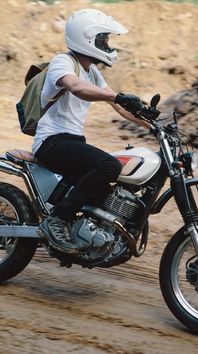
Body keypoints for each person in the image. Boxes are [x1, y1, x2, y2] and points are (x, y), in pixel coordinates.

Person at [34, 8, 150, 254]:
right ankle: (56, 219)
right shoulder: (63, 62)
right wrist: (115, 94)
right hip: (51, 141)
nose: (107, 45)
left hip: (72, 142)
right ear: (87, 39)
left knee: (107, 190)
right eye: (103, 40)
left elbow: (118, 106)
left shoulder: (93, 72)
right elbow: (75, 87)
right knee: (109, 166)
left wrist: (153, 125)